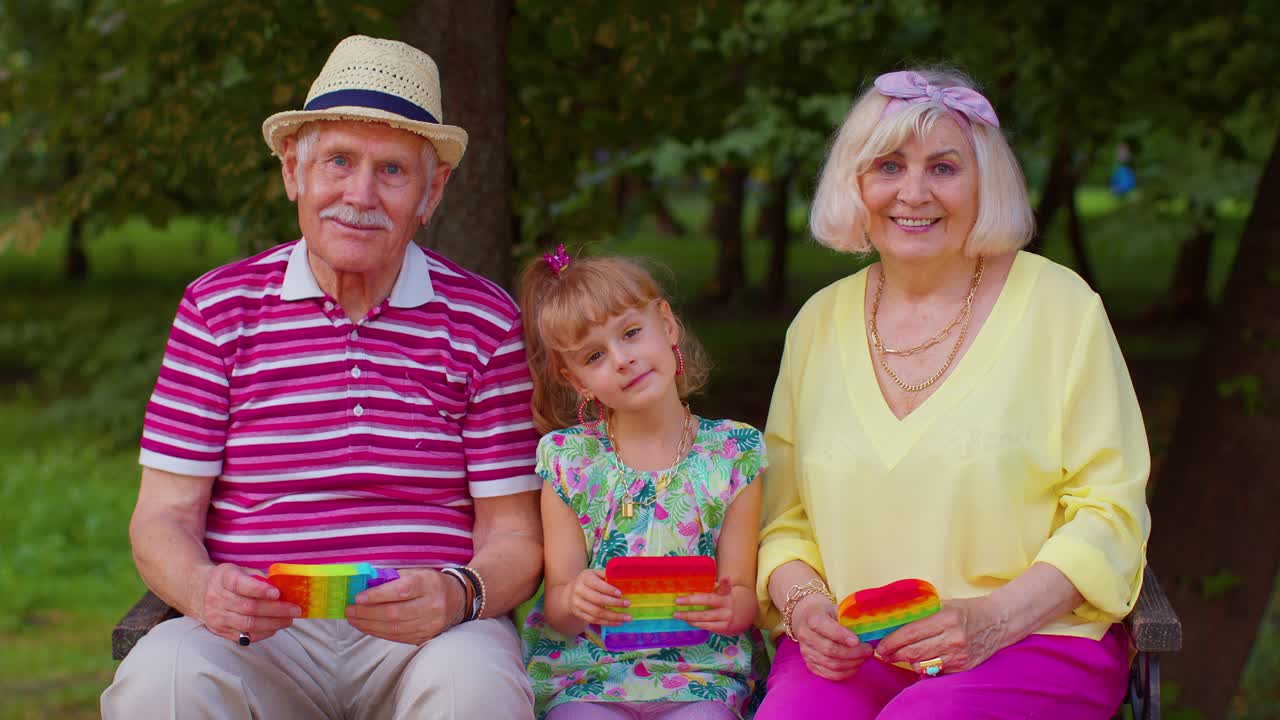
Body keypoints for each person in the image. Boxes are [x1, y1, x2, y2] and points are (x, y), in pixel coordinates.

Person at [101, 36, 543, 719]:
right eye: (338, 161)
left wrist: (460, 594)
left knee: (474, 686)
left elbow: (514, 533)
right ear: (292, 172)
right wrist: (202, 587)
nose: (359, 195)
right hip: (258, 637)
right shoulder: (217, 309)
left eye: (392, 170)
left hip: (424, 639)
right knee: (160, 677)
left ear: (432, 191)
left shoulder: (483, 319)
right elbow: (162, 516)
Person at [754, 69, 1151, 719]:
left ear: (984, 184)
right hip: (854, 650)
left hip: (1030, 640)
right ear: (855, 183)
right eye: (888, 165)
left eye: (944, 167)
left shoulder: (1062, 309)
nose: (913, 193)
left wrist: (995, 617)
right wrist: (804, 605)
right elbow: (783, 519)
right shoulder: (817, 324)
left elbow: (1110, 508)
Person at [516, 247, 767, 719]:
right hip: (590, 676)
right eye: (595, 355)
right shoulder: (570, 461)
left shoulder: (733, 453)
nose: (622, 359)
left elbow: (743, 595)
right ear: (577, 380)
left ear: (667, 325)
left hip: (701, 674)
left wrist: (727, 607)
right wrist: (577, 596)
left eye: (631, 333)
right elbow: (559, 606)